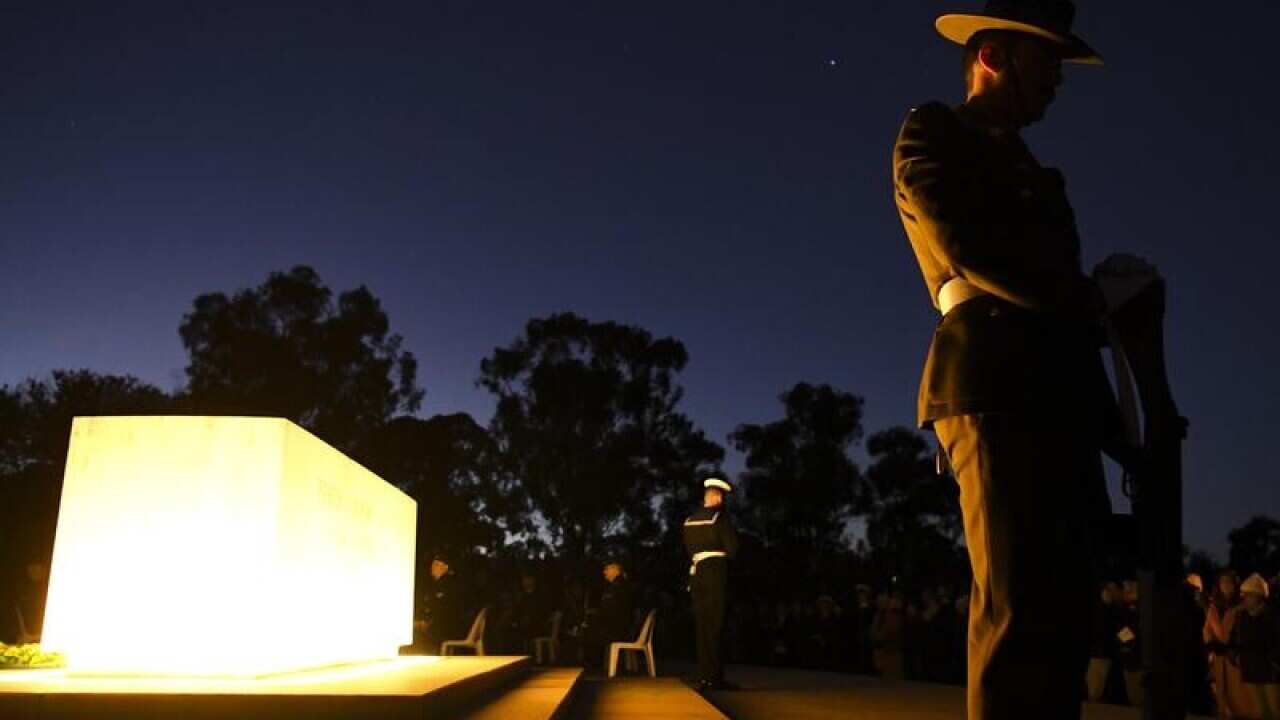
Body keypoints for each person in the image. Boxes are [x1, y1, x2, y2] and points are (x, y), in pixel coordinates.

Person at [892, 1, 1135, 717]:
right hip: (991, 381)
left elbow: (1066, 292)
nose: (1057, 83)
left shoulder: (1041, 174)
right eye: (1046, 64)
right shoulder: (934, 131)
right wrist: (1088, 300)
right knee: (1016, 604)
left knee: (1064, 614)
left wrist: (1116, 424)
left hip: (1060, 390)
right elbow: (965, 241)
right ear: (992, 57)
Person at [682, 476, 740, 690]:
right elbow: (733, 549)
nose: (723, 501)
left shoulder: (689, 520)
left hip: (697, 574)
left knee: (702, 627)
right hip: (716, 573)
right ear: (716, 497)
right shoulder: (720, 518)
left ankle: (704, 675)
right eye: (722, 497)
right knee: (716, 626)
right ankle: (715, 678)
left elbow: (689, 550)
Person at [1230, 574, 1280, 719]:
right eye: (1244, 594)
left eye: (1249, 594)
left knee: (1275, 710)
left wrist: (1275, 662)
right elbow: (1233, 639)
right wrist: (1235, 656)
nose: (1244, 598)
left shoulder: (1273, 616)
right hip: (1250, 668)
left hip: (1270, 671)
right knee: (1258, 710)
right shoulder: (1241, 617)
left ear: (1259, 596)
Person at [582, 556, 634, 670]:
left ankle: (593, 665)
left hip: (618, 630)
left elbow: (613, 612)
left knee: (586, 632)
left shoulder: (618, 587)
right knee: (590, 628)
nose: (604, 572)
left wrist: (594, 618)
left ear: (616, 570)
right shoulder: (618, 585)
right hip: (621, 627)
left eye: (607, 569)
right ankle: (595, 663)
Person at [415, 552, 468, 654]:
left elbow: (443, 610)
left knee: (417, 632)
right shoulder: (443, 584)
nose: (432, 568)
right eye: (433, 565)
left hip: (447, 628)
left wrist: (426, 623)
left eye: (437, 565)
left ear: (445, 567)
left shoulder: (446, 584)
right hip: (446, 625)